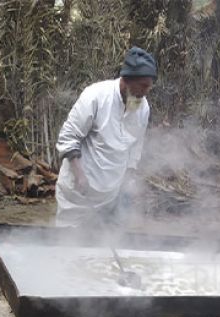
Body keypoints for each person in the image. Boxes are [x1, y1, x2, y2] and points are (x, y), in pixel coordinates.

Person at [54, 46, 156, 227]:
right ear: (126, 79)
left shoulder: (141, 106)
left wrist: (126, 188)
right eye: (142, 86)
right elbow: (68, 137)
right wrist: (79, 175)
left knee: (101, 251)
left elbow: (134, 148)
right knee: (70, 249)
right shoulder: (96, 96)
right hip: (78, 197)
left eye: (149, 86)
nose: (146, 91)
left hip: (110, 199)